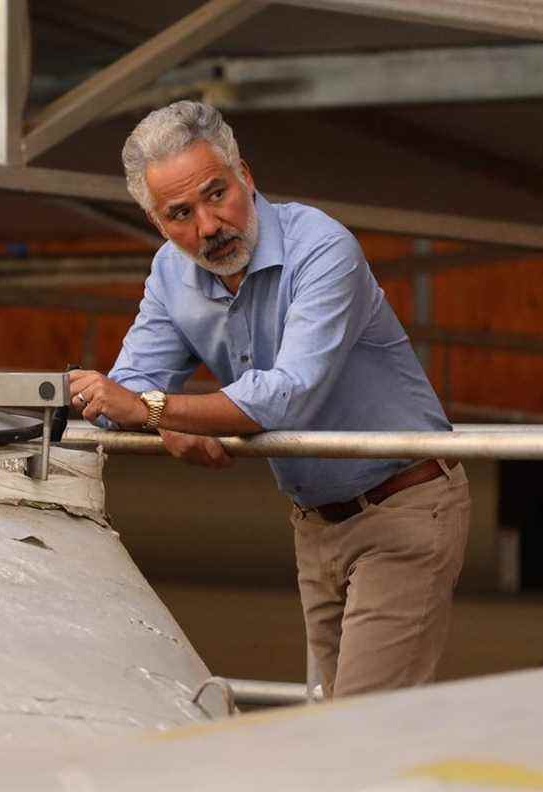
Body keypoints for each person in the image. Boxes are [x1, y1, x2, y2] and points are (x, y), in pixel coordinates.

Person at [68, 101, 470, 698]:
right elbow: (127, 390)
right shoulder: (170, 274)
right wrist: (164, 422)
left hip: (405, 506)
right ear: (158, 223)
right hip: (315, 524)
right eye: (180, 213)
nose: (208, 225)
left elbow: (286, 396)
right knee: (339, 734)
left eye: (216, 194)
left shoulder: (322, 247)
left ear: (246, 177)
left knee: (361, 733)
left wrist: (155, 411)